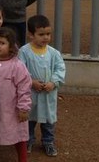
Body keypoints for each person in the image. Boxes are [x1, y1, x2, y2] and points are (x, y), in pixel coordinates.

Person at [19, 15, 66, 157]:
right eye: (41, 34)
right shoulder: (24, 51)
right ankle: (28, 140)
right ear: (31, 35)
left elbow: (60, 68)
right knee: (30, 119)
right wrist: (31, 82)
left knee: (48, 120)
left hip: (48, 94)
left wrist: (53, 82)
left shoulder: (53, 53)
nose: (45, 37)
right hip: (31, 94)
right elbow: (21, 70)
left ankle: (48, 142)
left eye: (48, 34)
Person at [0, 27, 32, 162]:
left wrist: (23, 108)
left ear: (11, 46)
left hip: (12, 109)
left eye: (2, 43)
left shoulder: (18, 66)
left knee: (18, 134)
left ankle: (22, 158)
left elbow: (24, 88)